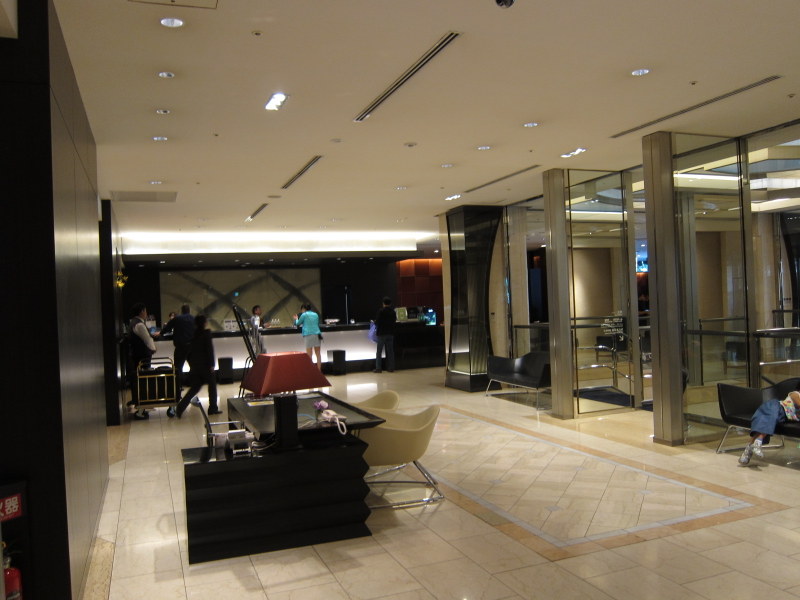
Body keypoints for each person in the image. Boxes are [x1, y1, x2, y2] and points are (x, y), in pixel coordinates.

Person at [175, 314, 220, 418]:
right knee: (212, 386)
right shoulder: (206, 334)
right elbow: (209, 350)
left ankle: (180, 407)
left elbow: (190, 352)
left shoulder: (194, 335)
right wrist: (212, 364)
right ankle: (213, 408)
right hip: (205, 366)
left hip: (195, 366)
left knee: (195, 388)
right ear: (205, 323)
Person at [739, 390, 800, 465]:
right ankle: (756, 444)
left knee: (767, 422)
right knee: (770, 418)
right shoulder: (795, 394)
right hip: (776, 407)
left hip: (783, 417)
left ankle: (749, 450)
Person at [128, 302, 157, 420]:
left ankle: (141, 405)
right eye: (145, 311)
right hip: (143, 356)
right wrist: (153, 349)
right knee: (144, 381)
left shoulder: (133, 322)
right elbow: (147, 339)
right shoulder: (139, 324)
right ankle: (142, 408)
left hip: (136, 356)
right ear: (141, 312)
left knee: (139, 381)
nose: (146, 313)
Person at [159, 304, 194, 388]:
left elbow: (167, 328)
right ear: (189, 310)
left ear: (182, 311)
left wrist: (160, 333)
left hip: (181, 346)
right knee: (193, 366)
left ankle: (179, 385)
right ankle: (191, 382)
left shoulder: (177, 319)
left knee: (178, 367)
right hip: (192, 346)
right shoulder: (194, 318)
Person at [293, 303, 322, 369]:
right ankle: (319, 370)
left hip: (308, 335)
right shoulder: (315, 314)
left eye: (302, 310)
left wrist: (296, 318)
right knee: (318, 353)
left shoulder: (304, 314)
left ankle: (311, 370)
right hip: (317, 334)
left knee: (309, 354)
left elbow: (297, 323)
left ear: (304, 309)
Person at [373, 296, 396, 373]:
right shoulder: (393, 312)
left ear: (383, 303)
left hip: (382, 333)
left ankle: (378, 368)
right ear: (390, 303)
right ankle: (391, 368)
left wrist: (375, 322)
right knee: (390, 352)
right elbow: (394, 321)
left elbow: (377, 322)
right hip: (390, 333)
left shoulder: (381, 311)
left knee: (379, 351)